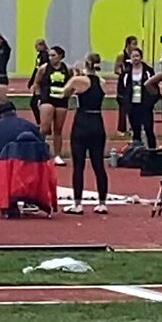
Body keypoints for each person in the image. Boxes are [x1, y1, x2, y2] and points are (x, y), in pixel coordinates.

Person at [61, 54, 109, 215]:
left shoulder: (79, 81)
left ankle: (78, 203)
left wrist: (75, 75)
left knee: (78, 166)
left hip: (82, 122)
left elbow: (65, 93)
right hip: (97, 121)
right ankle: (102, 203)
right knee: (98, 165)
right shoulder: (102, 82)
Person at [0, 102, 42, 214]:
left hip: (4, 169)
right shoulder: (30, 125)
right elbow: (42, 150)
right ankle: (30, 201)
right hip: (29, 170)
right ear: (14, 112)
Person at [31, 45, 71, 165]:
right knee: (45, 127)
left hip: (61, 100)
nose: (50, 58)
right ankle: (40, 151)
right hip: (47, 99)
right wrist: (38, 97)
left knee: (58, 129)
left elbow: (72, 83)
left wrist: (68, 94)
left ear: (60, 56)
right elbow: (36, 83)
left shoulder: (67, 69)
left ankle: (57, 155)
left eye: (53, 55)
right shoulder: (44, 68)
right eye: (49, 55)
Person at [119, 46, 157, 149]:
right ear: (130, 58)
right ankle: (137, 152)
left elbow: (154, 88)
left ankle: (152, 151)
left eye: (137, 56)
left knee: (149, 130)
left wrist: (151, 102)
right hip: (132, 106)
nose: (135, 58)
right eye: (133, 56)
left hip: (145, 106)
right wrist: (125, 103)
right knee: (136, 130)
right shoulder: (126, 73)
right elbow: (121, 89)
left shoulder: (148, 71)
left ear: (141, 57)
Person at [113, 35, 139, 134]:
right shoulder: (122, 55)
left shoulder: (136, 55)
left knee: (135, 104)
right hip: (123, 84)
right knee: (123, 105)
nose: (136, 46)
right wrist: (125, 75)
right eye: (134, 44)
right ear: (128, 44)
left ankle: (134, 126)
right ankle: (122, 128)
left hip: (135, 82)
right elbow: (116, 69)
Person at [28, 38, 49, 125]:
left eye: (37, 46)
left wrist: (36, 82)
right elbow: (36, 69)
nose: (35, 48)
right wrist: (32, 81)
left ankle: (41, 122)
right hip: (38, 82)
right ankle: (40, 122)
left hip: (42, 83)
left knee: (36, 103)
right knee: (35, 103)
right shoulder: (39, 56)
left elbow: (41, 71)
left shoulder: (45, 56)